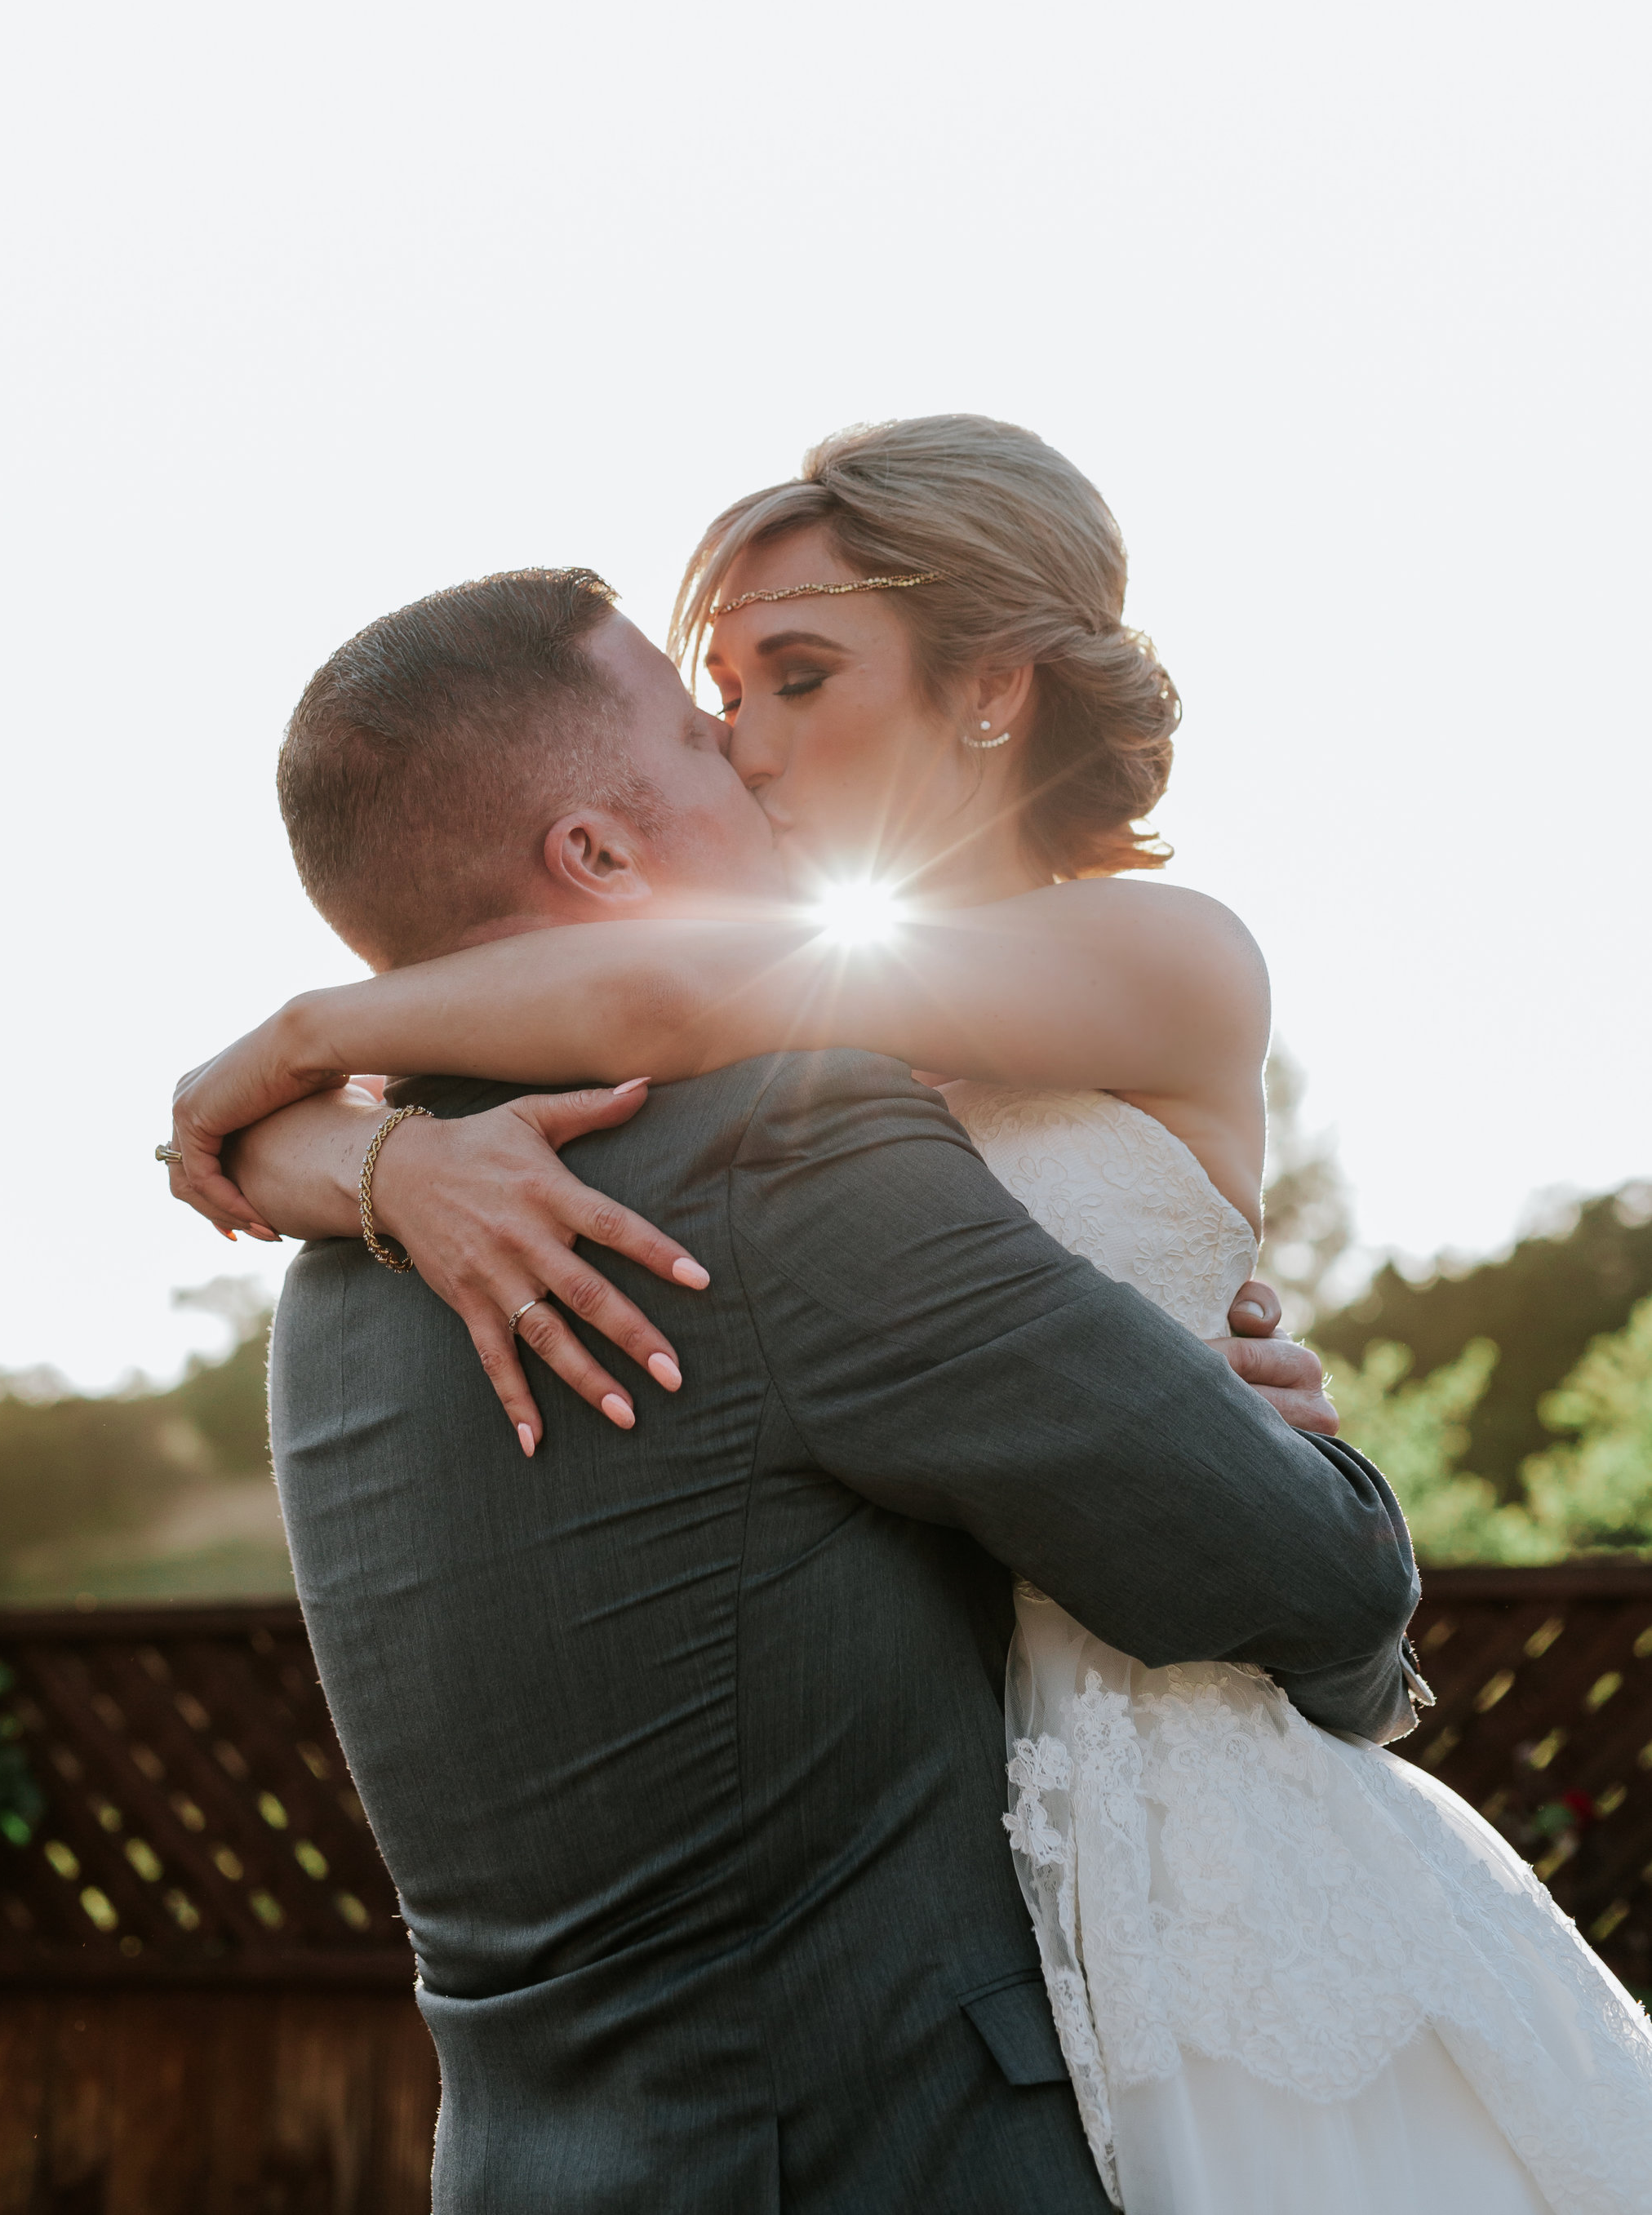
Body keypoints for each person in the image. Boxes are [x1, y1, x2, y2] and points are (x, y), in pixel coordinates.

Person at [172, 419, 1652, 2213]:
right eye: (722, 693)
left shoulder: (1132, 964)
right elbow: (1289, 1570)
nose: (741, 738)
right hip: (920, 2047)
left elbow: (665, 981)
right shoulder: (746, 1138)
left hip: (1092, 1890)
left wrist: (321, 1083)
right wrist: (364, 1139)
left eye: (794, 679)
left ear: (993, 691)